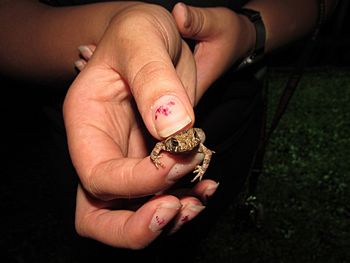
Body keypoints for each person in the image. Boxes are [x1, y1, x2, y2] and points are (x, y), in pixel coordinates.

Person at [0, 0, 338, 260]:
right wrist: (116, 28)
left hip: (231, 118)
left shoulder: (194, 141)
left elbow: (325, 4)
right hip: (97, 130)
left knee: (186, 227)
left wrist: (251, 31)